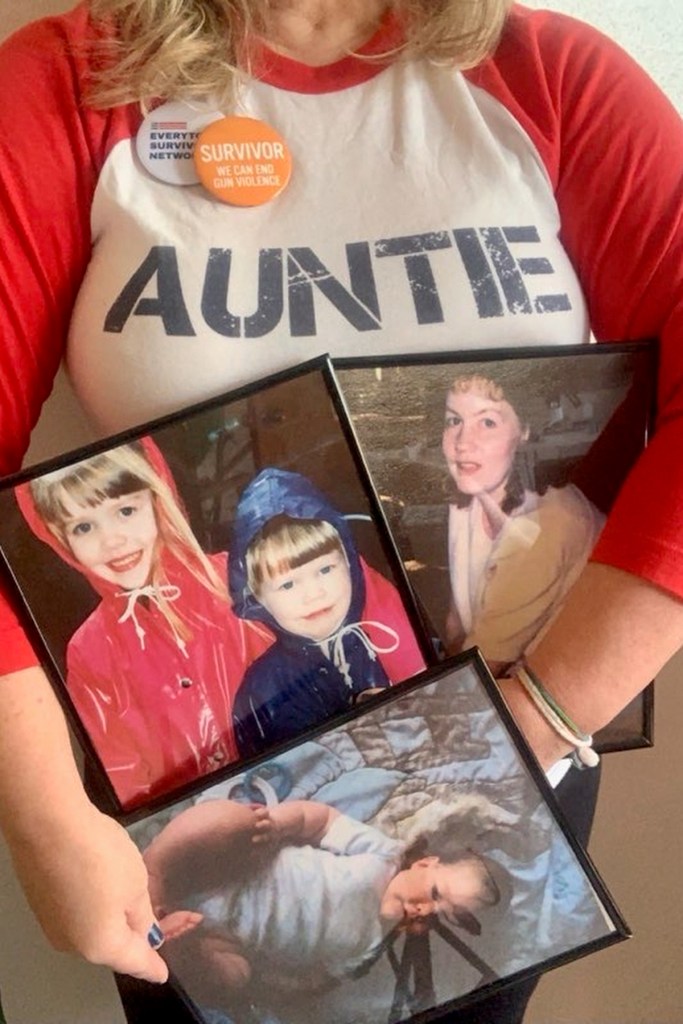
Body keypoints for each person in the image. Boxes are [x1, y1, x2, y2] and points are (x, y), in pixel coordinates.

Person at [0, 1, 682, 1022]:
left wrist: (543, 716)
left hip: (515, 737)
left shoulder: (548, 76)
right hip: (193, 788)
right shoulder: (70, 80)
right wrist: (44, 814)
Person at [15, 438, 272, 807]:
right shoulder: (89, 650)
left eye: (125, 511)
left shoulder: (232, 579)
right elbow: (122, 772)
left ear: (157, 501)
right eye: (83, 528)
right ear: (61, 542)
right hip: (199, 820)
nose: (112, 540)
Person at [141, 798, 511, 1009]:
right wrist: (281, 825)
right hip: (228, 870)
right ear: (426, 863)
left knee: (231, 978)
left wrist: (263, 987)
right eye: (434, 895)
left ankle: (174, 942)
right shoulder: (383, 854)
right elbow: (321, 821)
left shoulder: (369, 949)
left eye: (441, 919)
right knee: (232, 821)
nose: (425, 912)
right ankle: (155, 871)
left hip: (222, 938)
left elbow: (313, 979)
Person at [228, 467, 425, 758]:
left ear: (349, 564)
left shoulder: (391, 639)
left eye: (324, 569)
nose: (314, 593)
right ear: (258, 598)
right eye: (288, 584)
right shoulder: (263, 692)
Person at [441, 372, 605, 672]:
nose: (463, 443)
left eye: (487, 422)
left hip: (549, 702)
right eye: (454, 421)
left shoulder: (548, 526)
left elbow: (481, 672)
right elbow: (455, 626)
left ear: (524, 430)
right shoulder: (465, 503)